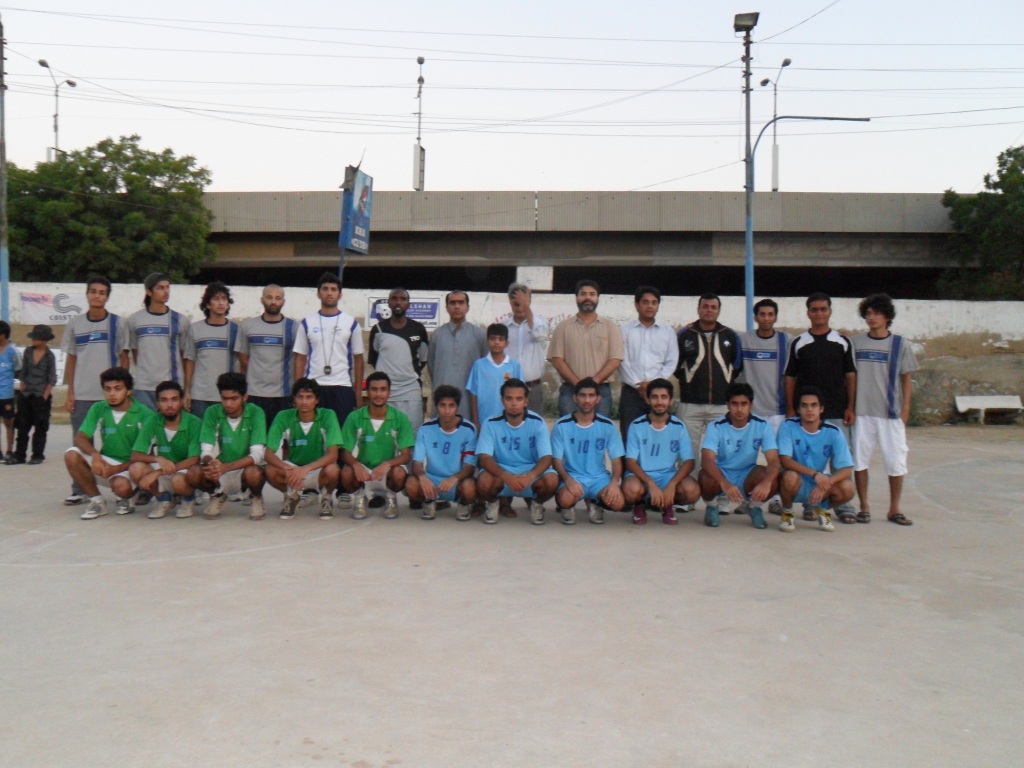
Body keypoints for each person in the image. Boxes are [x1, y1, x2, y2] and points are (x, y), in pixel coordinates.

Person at [784, 292, 857, 522]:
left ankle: (843, 506)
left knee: (840, 460)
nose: (819, 313)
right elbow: (790, 377)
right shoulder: (799, 343)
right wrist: (791, 408)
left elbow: (851, 375)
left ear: (830, 311)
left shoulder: (842, 342)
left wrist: (850, 406)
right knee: (806, 459)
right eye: (814, 309)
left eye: (823, 309)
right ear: (808, 313)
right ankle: (810, 504)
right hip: (807, 411)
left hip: (836, 409)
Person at [852, 293, 920, 527]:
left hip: (890, 414)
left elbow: (906, 378)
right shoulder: (855, 343)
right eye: (868, 313)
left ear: (888, 317)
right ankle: (864, 507)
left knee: (896, 461)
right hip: (861, 413)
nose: (872, 318)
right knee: (859, 461)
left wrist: (905, 408)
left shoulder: (900, 344)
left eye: (877, 313)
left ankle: (894, 509)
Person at [61, 276, 129, 503]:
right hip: (83, 393)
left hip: (111, 394)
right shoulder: (75, 324)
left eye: (101, 292)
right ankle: (80, 490)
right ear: (87, 294)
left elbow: (124, 357)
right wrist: (70, 391)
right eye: (93, 291)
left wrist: (124, 389)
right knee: (80, 442)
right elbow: (71, 358)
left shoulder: (117, 324)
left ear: (107, 297)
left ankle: (124, 487)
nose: (97, 296)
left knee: (118, 441)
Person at [64, 367, 154, 520]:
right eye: (107, 389)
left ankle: (127, 497)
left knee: (121, 487)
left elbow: (143, 457)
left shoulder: (145, 414)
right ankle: (97, 501)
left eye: (118, 389)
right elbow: (80, 437)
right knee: (71, 454)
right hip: (106, 463)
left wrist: (115, 470)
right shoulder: (99, 408)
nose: (112, 394)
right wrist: (95, 455)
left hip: (130, 467)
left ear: (129, 391)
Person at [674, 294, 742, 487]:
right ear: (698, 309)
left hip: (721, 406)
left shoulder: (730, 335)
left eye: (713, 307)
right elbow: (674, 364)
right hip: (690, 404)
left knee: (721, 453)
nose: (709, 310)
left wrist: (725, 383)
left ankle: (720, 495)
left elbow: (737, 364)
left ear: (719, 311)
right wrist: (689, 381)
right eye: (705, 306)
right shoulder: (685, 335)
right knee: (688, 453)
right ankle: (689, 494)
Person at [186, 372, 268, 521]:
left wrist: (225, 468)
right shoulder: (212, 412)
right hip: (221, 468)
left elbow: (257, 455)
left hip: (246, 469)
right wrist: (211, 462)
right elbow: (205, 450)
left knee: (255, 473)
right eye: (224, 398)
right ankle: (217, 494)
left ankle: (256, 497)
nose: (228, 404)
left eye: (234, 399)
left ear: (245, 397)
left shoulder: (256, 412)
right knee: (193, 473)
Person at [475, 378, 558, 525]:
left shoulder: (537, 422)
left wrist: (529, 476)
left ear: (526, 402)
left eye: (519, 399)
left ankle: (537, 504)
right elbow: (484, 457)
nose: (514, 403)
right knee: (484, 480)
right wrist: (506, 476)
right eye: (509, 399)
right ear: (502, 401)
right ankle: (493, 503)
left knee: (552, 480)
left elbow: (546, 457)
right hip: (502, 472)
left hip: (529, 471)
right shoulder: (490, 423)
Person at [698, 383, 780, 529]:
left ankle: (753, 507)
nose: (739, 409)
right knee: (705, 476)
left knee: (771, 477)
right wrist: (724, 483)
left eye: (744, 404)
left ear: (751, 405)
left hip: (747, 473)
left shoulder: (763, 425)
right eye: (735, 404)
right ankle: (712, 506)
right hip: (723, 472)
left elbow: (774, 461)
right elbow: (707, 460)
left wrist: (767, 482)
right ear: (728, 405)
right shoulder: (715, 426)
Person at [776, 386, 855, 532]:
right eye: (804, 406)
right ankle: (787, 512)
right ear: (798, 409)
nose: (809, 410)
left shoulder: (834, 432)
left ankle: (822, 509)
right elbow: (785, 460)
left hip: (819, 482)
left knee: (848, 487)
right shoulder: (788, 426)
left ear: (821, 409)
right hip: (797, 480)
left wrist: (826, 483)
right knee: (789, 476)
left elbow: (846, 468)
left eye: (814, 405)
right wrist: (815, 474)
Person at [621, 378, 700, 526]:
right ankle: (640, 505)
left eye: (664, 397)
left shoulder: (678, 426)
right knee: (630, 489)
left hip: (667, 476)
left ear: (671, 401)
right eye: (655, 397)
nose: (659, 402)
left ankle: (667, 504)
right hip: (642, 477)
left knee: (692, 490)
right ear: (648, 400)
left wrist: (672, 484)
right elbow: (630, 462)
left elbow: (689, 462)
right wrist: (650, 483)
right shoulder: (637, 425)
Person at [738, 297, 791, 516]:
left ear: (776, 317)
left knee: (776, 460)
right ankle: (746, 498)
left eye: (770, 314)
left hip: (777, 411)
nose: (766, 318)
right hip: (751, 413)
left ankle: (776, 499)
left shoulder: (786, 341)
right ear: (755, 317)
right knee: (745, 459)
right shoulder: (744, 340)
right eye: (762, 314)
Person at [339, 371, 415, 520]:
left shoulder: (400, 418)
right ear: (367, 392)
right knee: (346, 472)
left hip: (387, 471)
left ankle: (391, 498)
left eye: (383, 389)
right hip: (364, 471)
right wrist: (356, 464)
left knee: (399, 473)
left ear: (389, 392)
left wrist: (387, 464)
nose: (378, 394)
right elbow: (345, 451)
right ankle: (360, 497)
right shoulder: (354, 417)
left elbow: (406, 455)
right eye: (374, 389)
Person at [264, 377, 343, 521]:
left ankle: (326, 497)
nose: (304, 401)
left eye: (309, 397)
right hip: (293, 469)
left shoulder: (328, 415)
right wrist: (288, 468)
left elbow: (333, 455)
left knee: (333, 469)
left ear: (317, 400)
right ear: (294, 399)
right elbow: (268, 453)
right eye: (300, 397)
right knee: (269, 469)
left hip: (318, 469)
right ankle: (291, 495)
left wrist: (305, 469)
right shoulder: (283, 416)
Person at [293, 272, 364, 429]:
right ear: (318, 294)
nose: (329, 293)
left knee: (341, 434)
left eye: (333, 289)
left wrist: (358, 393)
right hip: (314, 387)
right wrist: (297, 391)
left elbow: (359, 360)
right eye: (325, 289)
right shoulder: (307, 323)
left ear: (340, 294)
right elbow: (300, 358)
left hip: (342, 387)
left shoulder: (351, 323)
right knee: (315, 433)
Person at [551, 377, 626, 525]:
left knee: (618, 503)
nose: (586, 400)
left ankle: (595, 502)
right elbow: (556, 460)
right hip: (573, 476)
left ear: (598, 399)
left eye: (591, 396)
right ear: (575, 398)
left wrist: (614, 483)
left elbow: (616, 460)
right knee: (565, 499)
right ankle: (568, 507)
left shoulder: (608, 425)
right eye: (582, 395)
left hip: (599, 478)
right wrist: (568, 480)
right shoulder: (562, 425)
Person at [547, 279, 624, 417]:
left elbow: (615, 360)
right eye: (583, 294)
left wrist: (593, 383)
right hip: (570, 390)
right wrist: (578, 384)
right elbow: (557, 359)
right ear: (576, 298)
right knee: (568, 427)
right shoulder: (563, 327)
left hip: (601, 390)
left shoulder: (610, 327)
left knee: (600, 428)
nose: (587, 297)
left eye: (592, 294)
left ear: (598, 298)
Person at [128, 380, 202, 520]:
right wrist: (157, 458)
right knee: (136, 469)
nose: (169, 405)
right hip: (165, 468)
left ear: (182, 401)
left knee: (178, 481)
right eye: (164, 400)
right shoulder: (153, 421)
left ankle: (188, 500)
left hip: (183, 471)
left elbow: (194, 459)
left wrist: (158, 472)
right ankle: (163, 499)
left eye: (174, 399)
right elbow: (135, 455)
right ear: (157, 403)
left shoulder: (194, 422)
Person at [405, 385, 479, 521]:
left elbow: (469, 467)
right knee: (411, 484)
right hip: (432, 480)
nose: (447, 411)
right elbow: (417, 462)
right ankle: (429, 501)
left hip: (456, 481)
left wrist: (454, 478)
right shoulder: (425, 429)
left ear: (457, 407)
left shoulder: (468, 429)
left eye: (451, 406)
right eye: (442, 405)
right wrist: (422, 477)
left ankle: (464, 505)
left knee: (470, 487)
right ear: (436, 406)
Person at [124, 272, 191, 412]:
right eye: (160, 288)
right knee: (145, 425)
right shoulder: (135, 320)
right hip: (144, 387)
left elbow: (184, 356)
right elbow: (136, 353)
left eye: (167, 287)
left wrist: (186, 389)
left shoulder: (180, 320)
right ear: (149, 292)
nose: (165, 292)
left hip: (171, 386)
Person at [618, 286, 679, 440]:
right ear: (637, 305)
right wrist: (638, 385)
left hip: (659, 395)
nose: (650, 306)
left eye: (654, 302)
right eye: (645, 302)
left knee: (658, 437)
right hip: (632, 393)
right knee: (630, 437)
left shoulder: (667, 332)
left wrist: (653, 385)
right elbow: (622, 361)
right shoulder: (624, 330)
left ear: (658, 306)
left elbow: (671, 361)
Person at [235, 284, 298, 429]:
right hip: (254, 394)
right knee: (255, 437)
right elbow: (243, 360)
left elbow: (298, 360)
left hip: (283, 395)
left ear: (283, 302)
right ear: (262, 300)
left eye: (278, 298)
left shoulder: (293, 327)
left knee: (283, 438)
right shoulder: (248, 326)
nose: (273, 301)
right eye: (269, 297)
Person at [367, 287, 429, 431]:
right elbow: (374, 359)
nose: (398, 302)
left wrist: (407, 373)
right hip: (386, 392)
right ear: (389, 303)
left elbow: (423, 359)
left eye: (402, 299)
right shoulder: (378, 329)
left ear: (408, 304)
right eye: (394, 299)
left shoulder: (418, 329)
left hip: (410, 390)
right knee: (385, 433)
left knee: (412, 433)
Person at [183, 281, 239, 420]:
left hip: (227, 396)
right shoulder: (195, 329)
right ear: (207, 304)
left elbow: (243, 362)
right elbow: (190, 361)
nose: (221, 303)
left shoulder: (236, 330)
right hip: (200, 396)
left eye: (224, 299)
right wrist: (187, 391)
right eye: (216, 298)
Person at [427, 290, 487, 420]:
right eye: (453, 303)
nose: (457, 306)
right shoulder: (437, 335)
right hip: (442, 398)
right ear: (447, 308)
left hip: (468, 399)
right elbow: (432, 367)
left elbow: (484, 368)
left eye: (461, 302)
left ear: (467, 307)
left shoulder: (479, 335)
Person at [11, 325, 58, 465]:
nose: (33, 341)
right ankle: (19, 455)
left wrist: (45, 395)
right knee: (22, 426)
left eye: (36, 338)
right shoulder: (28, 351)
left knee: (40, 427)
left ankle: (37, 455)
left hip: (41, 395)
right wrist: (22, 386)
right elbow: (23, 370)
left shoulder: (50, 356)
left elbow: (51, 378)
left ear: (44, 340)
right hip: (26, 395)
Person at [502, 283, 549, 415]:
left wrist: (526, 306)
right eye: (516, 304)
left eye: (523, 303)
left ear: (529, 302)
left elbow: (540, 335)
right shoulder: (503, 327)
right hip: (509, 389)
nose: (520, 308)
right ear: (510, 303)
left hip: (533, 388)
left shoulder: (541, 322)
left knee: (534, 424)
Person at [466, 323, 522, 428]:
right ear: (487, 342)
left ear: (506, 343)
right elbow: (473, 394)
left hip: (507, 420)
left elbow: (521, 393)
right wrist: (476, 420)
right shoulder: (479, 365)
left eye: (501, 339)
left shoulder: (514, 366)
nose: (496, 342)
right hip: (484, 419)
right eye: (493, 339)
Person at [0, 320, 22, 463]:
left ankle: (9, 450)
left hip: (6, 393)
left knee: (8, 422)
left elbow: (19, 369)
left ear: (3, 335)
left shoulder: (12, 351)